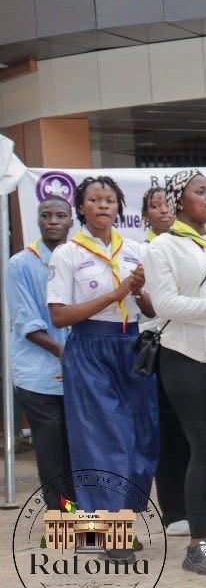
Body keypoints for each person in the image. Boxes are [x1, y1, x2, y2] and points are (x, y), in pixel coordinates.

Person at [143, 169, 206, 574]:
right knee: (204, 444)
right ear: (178, 201)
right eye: (200, 191)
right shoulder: (162, 247)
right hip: (184, 354)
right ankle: (196, 543)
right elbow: (165, 305)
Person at [47, 176, 158, 531]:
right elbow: (59, 315)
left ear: (118, 207)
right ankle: (106, 529)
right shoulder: (68, 253)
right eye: (95, 199)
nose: (103, 205)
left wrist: (139, 292)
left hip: (132, 347)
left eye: (109, 200)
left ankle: (122, 516)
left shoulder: (135, 250)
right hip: (90, 347)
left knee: (140, 437)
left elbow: (150, 310)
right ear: (82, 207)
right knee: (102, 438)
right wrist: (115, 293)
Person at [8, 196, 73, 510]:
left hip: (77, 373)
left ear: (71, 221)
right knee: (52, 452)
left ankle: (82, 516)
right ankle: (63, 517)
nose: (53, 221)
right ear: (38, 220)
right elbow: (26, 321)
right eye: (46, 215)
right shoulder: (20, 263)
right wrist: (63, 352)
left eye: (60, 215)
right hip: (38, 375)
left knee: (77, 449)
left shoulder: (77, 259)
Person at [140, 184, 191, 536]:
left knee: (196, 433)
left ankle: (202, 509)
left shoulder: (191, 246)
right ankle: (174, 512)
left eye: (168, 205)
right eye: (155, 206)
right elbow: (151, 306)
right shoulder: (143, 250)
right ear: (145, 215)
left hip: (193, 345)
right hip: (159, 348)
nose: (164, 211)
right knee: (169, 431)